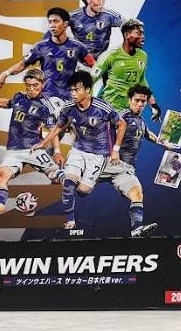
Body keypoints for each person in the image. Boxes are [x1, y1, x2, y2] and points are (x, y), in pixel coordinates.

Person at [36, 71, 125, 231]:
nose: (73, 93)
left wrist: (116, 150)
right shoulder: (68, 108)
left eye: (77, 90)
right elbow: (58, 127)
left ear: (88, 90)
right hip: (78, 150)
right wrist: (44, 141)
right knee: (68, 185)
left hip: (98, 155)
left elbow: (122, 124)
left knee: (83, 191)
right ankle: (70, 221)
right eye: (71, 90)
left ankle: (62, 175)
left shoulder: (102, 108)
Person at [0, 69, 64, 215]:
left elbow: (53, 130)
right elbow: (6, 103)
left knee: (55, 175)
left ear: (43, 84)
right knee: (2, 175)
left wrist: (57, 152)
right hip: (13, 150)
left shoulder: (46, 107)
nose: (31, 89)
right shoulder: (19, 97)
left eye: (35, 85)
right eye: (28, 85)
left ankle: (78, 182)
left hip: (33, 149)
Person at [0, 7, 96, 108]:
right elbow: (22, 64)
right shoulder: (41, 47)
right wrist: (5, 74)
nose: (52, 25)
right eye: (50, 22)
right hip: (47, 97)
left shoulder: (78, 47)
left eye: (56, 21)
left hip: (68, 97)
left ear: (65, 24)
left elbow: (94, 65)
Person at [98, 84, 165, 236]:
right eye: (137, 100)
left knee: (137, 194)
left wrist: (163, 143)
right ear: (129, 100)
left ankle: (136, 229)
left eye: (143, 101)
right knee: (78, 183)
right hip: (107, 164)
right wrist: (112, 151)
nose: (140, 104)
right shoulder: (121, 116)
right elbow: (104, 130)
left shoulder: (140, 120)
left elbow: (147, 134)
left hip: (125, 169)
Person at [92, 18, 161, 119]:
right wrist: (89, 105)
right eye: (138, 33)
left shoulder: (143, 56)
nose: (143, 37)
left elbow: (142, 80)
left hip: (128, 110)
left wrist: (153, 104)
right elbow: (90, 80)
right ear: (127, 35)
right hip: (108, 108)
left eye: (143, 34)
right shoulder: (110, 55)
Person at [56, 0, 123, 58]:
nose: (101, 3)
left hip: (101, 60)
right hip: (79, 60)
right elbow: (56, 28)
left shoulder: (109, 15)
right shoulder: (74, 16)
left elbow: (128, 26)